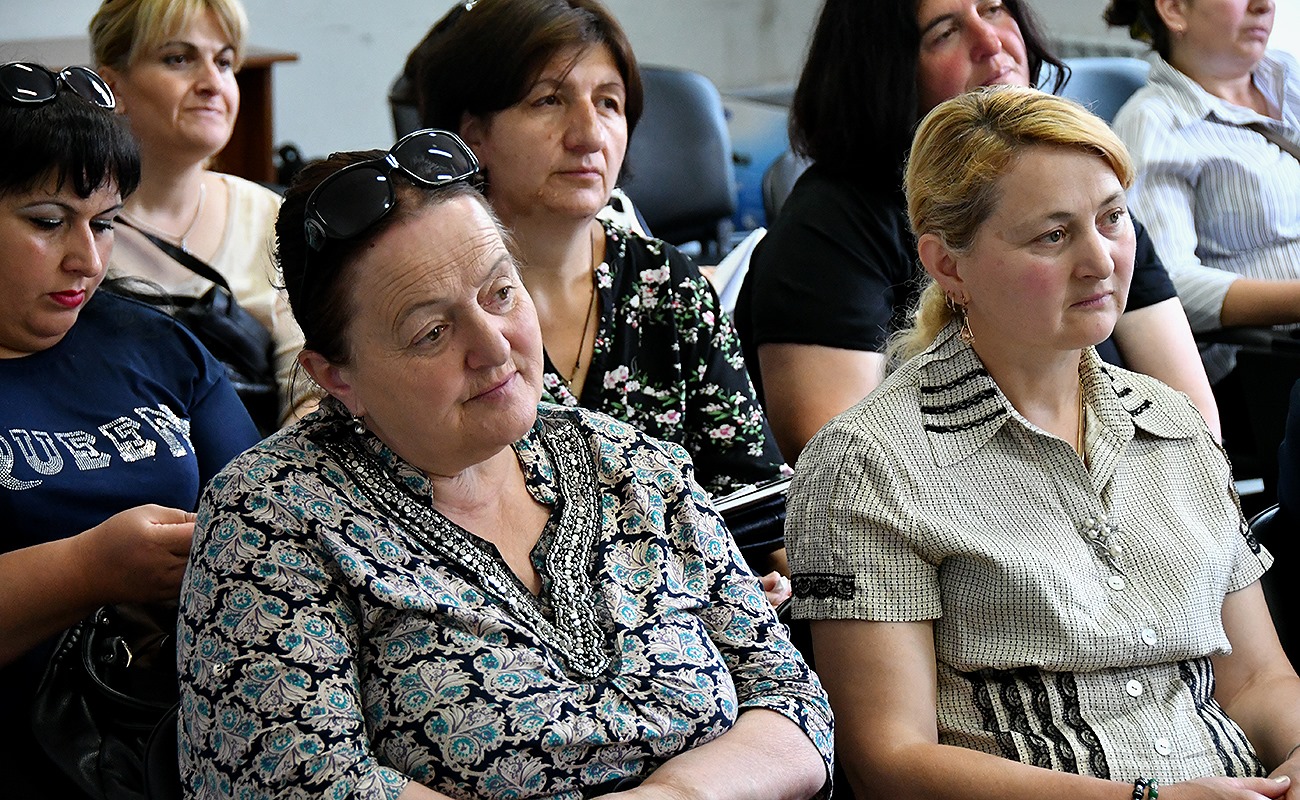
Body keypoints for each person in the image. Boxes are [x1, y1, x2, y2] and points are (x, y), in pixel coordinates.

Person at [176, 129, 834, 800]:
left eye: (499, 294)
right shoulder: (271, 514)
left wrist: (674, 797)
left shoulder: (632, 466)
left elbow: (793, 703)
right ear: (336, 376)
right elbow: (296, 783)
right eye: (432, 332)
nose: (493, 347)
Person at [786, 84, 1300, 800]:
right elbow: (889, 762)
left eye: (1112, 218)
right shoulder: (869, 464)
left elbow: (1256, 680)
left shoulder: (1172, 422)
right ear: (948, 265)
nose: (1101, 260)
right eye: (1052, 236)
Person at [736, 0, 1219, 463]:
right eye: (945, 32)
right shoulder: (827, 230)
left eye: (994, 9)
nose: (991, 41)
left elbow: (1195, 431)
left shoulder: (1082, 195)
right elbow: (842, 468)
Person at [0, 62, 260, 799]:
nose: (86, 260)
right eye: (47, 221)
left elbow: (268, 514)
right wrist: (86, 570)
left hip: (182, 734)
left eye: (106, 222)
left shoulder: (156, 345)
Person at [404, 0, 785, 500]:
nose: (589, 136)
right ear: (472, 135)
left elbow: (757, 496)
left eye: (608, 102)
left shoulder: (668, 286)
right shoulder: (430, 307)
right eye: (548, 100)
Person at [90, 0, 312, 430]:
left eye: (224, 62)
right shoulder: (72, 228)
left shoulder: (272, 216)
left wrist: (267, 468)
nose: (213, 83)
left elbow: (308, 390)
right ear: (112, 86)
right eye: (179, 59)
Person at [1105, 0, 1300, 439]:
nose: (1265, 5)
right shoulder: (1156, 123)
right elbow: (1166, 285)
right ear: (1175, 9)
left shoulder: (1288, 78)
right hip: (1258, 364)